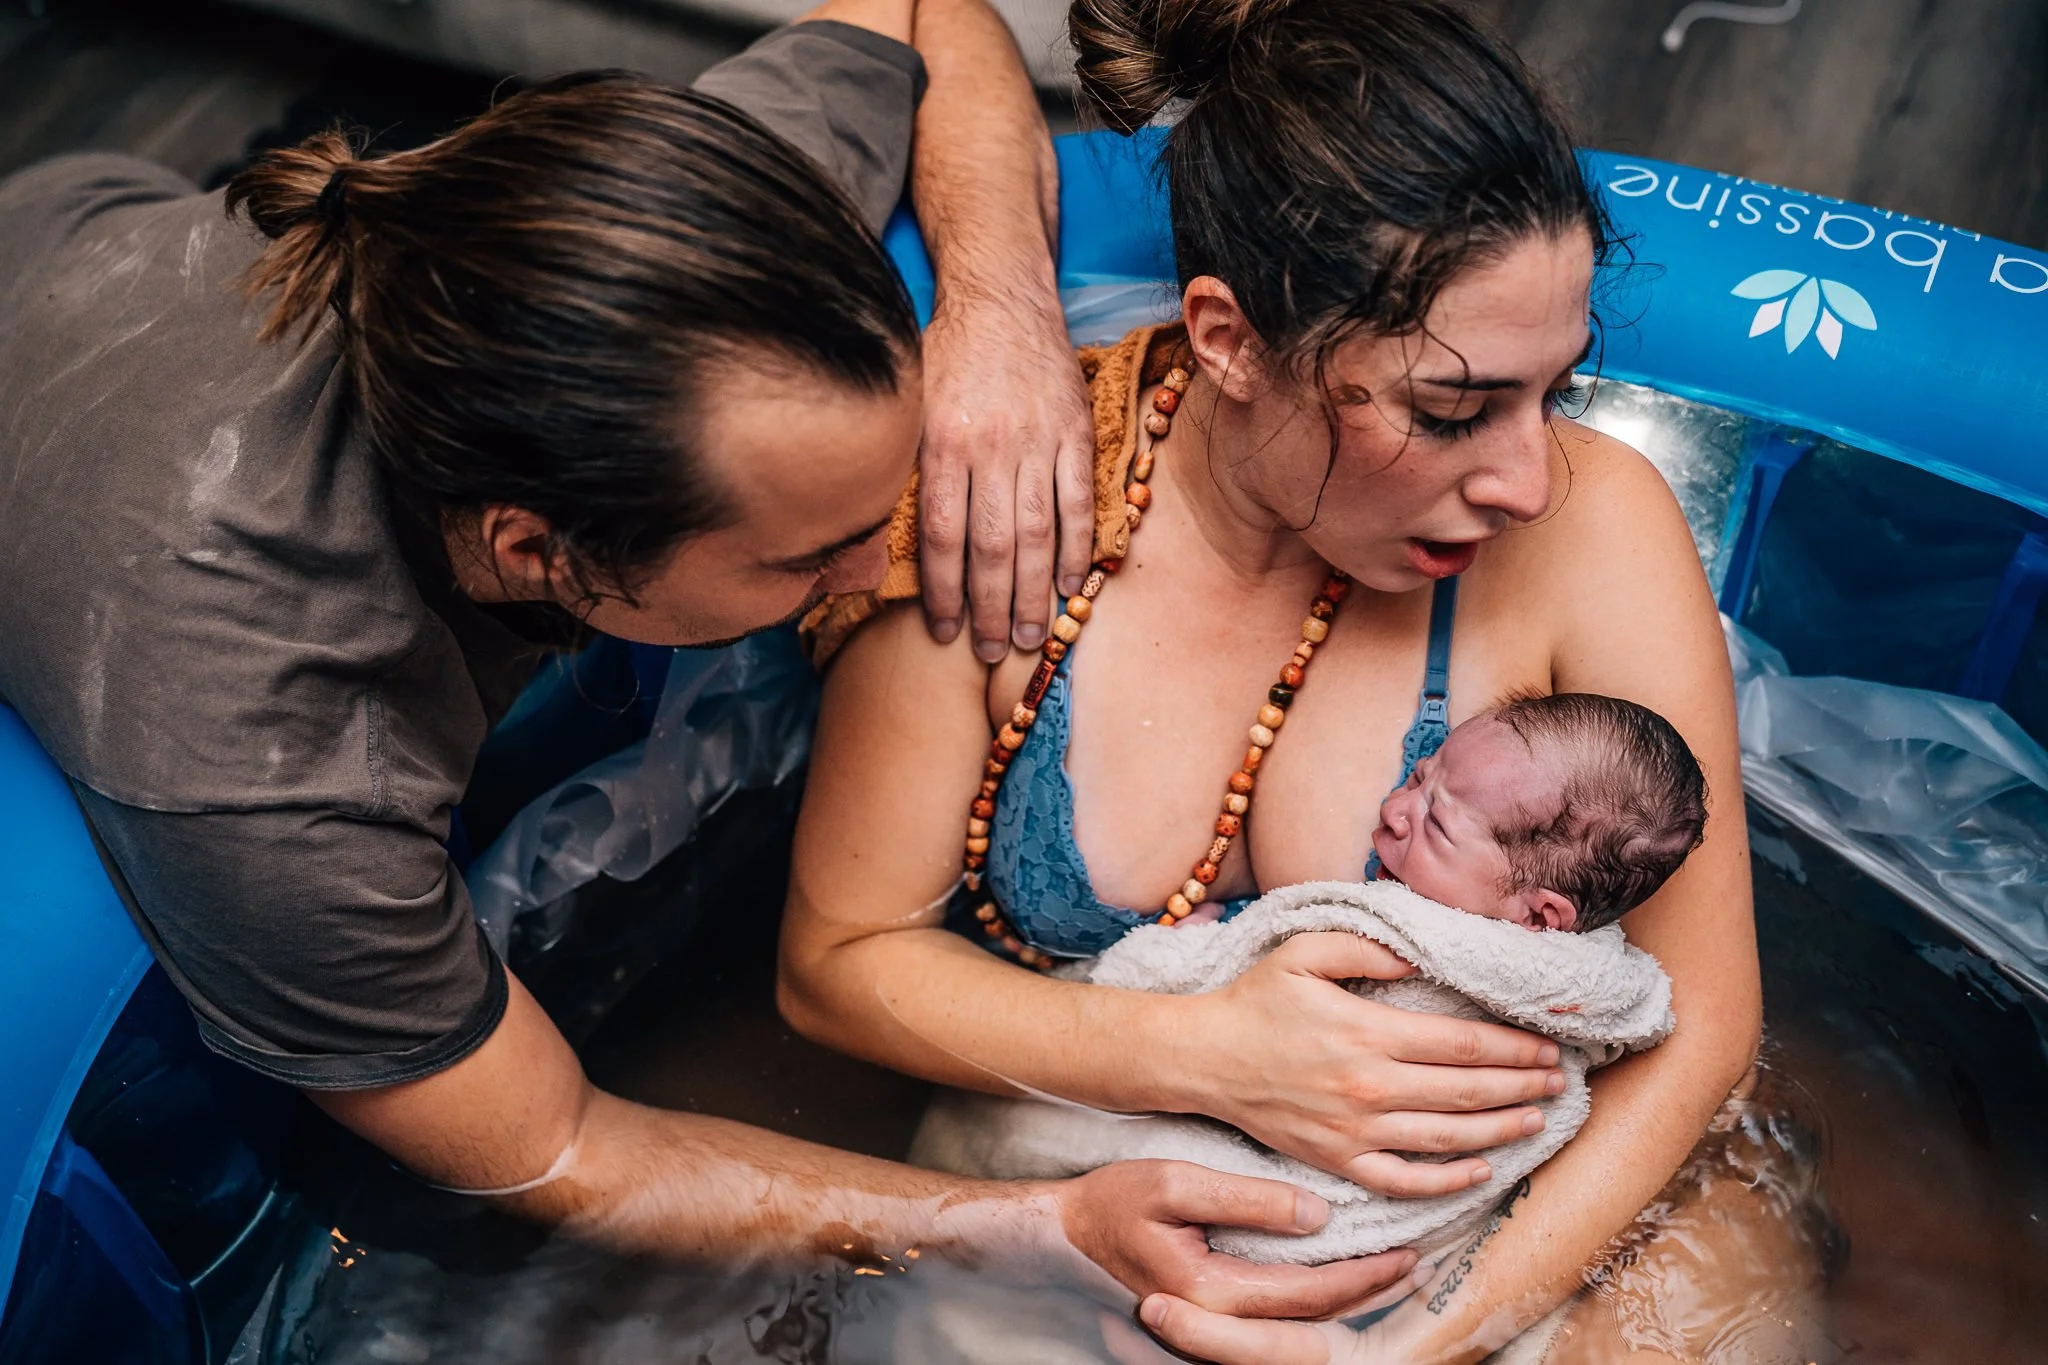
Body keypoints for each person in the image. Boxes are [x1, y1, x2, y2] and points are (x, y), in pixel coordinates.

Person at [0, 0, 1397, 1320]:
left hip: (94, 224)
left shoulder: (686, 255)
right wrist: (1044, 1224)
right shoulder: (262, 747)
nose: (876, 572)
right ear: (537, 552)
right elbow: (556, 1144)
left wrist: (998, 317)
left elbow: (926, 10)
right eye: (811, 558)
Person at [782, 0, 1825, 1359]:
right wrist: (1216, 1053)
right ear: (1227, 340)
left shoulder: (1592, 520)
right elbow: (838, 964)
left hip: (1519, 1216)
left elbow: (1701, 1023)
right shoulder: (1016, 515)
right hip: (1115, 1191)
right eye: (1451, 411)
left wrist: (1429, 1340)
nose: (1522, 476)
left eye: (1555, 389)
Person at [1363, 692, 1708, 936]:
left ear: (1539, 916)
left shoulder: (1547, 1000)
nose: (1392, 810)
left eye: (1436, 823)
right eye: (1418, 777)